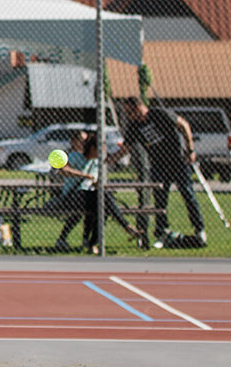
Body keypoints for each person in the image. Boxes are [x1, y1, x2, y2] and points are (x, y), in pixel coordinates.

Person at [113, 98, 205, 247]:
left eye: (130, 112)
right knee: (160, 200)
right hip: (158, 166)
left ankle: (199, 230)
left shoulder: (159, 114)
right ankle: (163, 232)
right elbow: (125, 149)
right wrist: (108, 159)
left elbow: (183, 125)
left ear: (138, 108)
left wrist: (190, 149)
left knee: (188, 195)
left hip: (177, 162)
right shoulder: (134, 127)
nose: (129, 116)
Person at [50, 132, 143, 253]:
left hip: (90, 197)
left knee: (103, 208)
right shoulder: (75, 157)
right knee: (103, 198)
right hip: (73, 196)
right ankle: (126, 226)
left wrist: (96, 183)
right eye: (101, 150)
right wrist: (84, 175)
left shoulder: (96, 163)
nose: (103, 153)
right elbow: (64, 170)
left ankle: (92, 244)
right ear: (93, 148)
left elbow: (96, 180)